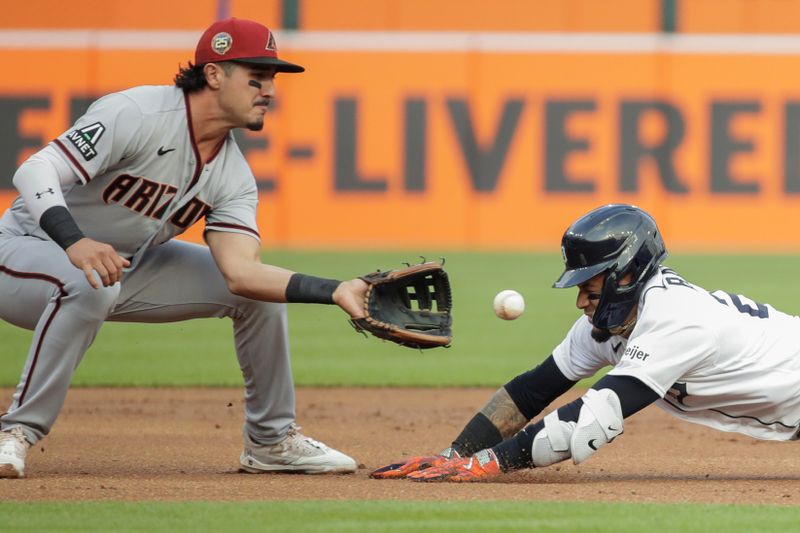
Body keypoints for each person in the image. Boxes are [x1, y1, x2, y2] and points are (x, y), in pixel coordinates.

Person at [0, 17, 369, 479]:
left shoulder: (232, 174)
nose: (269, 91)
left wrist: (335, 290)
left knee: (259, 296)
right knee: (90, 282)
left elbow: (242, 273)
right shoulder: (138, 112)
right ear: (214, 74)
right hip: (21, 251)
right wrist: (74, 241)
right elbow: (34, 172)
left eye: (272, 80)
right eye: (256, 78)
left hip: (120, 268)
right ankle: (15, 432)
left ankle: (271, 441)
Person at [371, 203, 800, 482]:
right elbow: (533, 390)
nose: (580, 301)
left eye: (590, 287)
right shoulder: (609, 319)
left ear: (627, 275)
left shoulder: (677, 319)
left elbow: (594, 418)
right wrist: (455, 452)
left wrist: (488, 463)